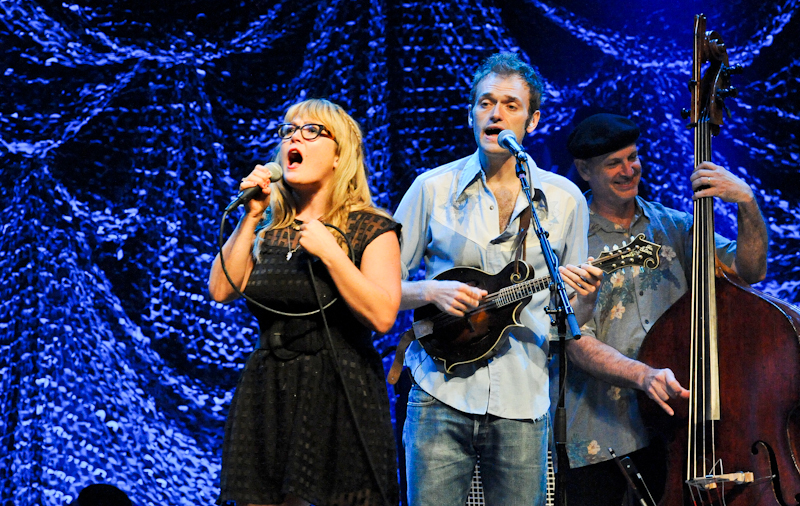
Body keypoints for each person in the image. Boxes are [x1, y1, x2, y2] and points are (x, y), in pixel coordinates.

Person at [393, 52, 603, 506]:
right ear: (471, 114)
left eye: (510, 104)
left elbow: (573, 321)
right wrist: (430, 290)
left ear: (533, 120)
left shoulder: (564, 201)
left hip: (524, 400)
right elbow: (376, 289)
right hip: (437, 393)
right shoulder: (432, 189)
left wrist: (585, 297)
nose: (496, 113)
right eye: (485, 103)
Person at [559, 113, 768, 506]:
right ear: (585, 170)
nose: (629, 169)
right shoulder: (565, 239)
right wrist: (643, 375)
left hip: (677, 430)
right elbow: (573, 340)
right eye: (613, 163)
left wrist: (747, 203)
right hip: (603, 434)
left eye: (633, 157)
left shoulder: (675, 226)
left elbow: (748, 270)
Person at [208, 98, 402, 506]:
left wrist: (331, 254)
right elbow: (222, 288)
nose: (294, 136)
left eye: (311, 130)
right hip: (269, 389)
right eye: (288, 130)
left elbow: (383, 316)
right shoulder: (267, 228)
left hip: (337, 389)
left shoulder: (371, 227)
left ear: (339, 155)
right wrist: (251, 216)